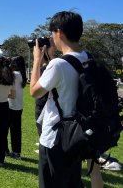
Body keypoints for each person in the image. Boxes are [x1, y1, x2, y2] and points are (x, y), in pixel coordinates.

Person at [30, 11, 87, 187]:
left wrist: (37, 61)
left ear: (59, 32)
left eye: (52, 33)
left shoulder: (58, 65)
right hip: (77, 134)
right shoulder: (87, 58)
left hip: (55, 138)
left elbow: (34, 92)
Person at [6, 56, 27, 160]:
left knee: (5, 128)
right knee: (16, 130)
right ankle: (16, 152)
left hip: (10, 105)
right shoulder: (22, 74)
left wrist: (6, 63)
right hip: (19, 105)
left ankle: (5, 150)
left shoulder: (14, 74)